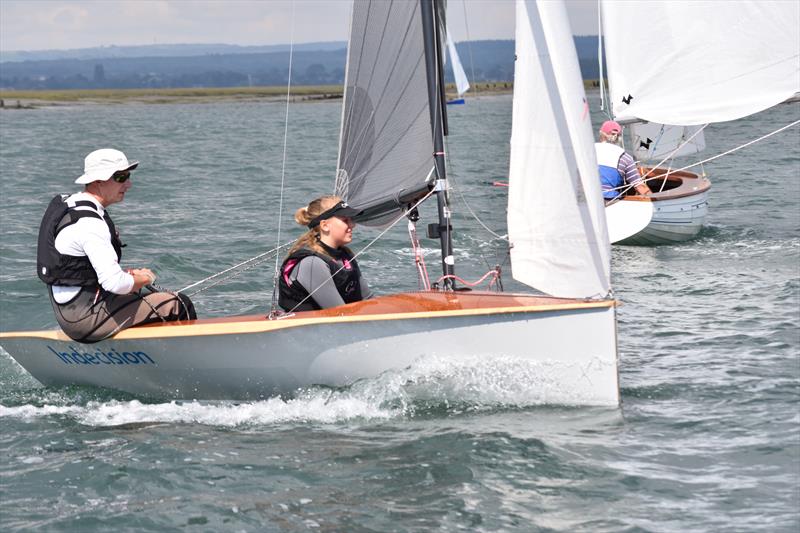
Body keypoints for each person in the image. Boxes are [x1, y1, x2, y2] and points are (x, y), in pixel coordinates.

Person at [37, 148, 196, 343]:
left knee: (139, 293)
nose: (128, 184)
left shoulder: (73, 204)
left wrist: (131, 278)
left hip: (70, 313)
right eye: (120, 177)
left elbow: (83, 270)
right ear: (98, 181)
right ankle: (187, 365)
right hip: (85, 319)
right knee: (176, 303)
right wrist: (145, 278)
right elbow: (114, 283)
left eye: (127, 176)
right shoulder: (90, 224)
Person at [278, 195, 373, 312]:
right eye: (345, 220)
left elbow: (368, 300)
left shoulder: (345, 255)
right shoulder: (312, 264)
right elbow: (340, 313)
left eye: (351, 220)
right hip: (308, 328)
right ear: (325, 226)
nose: (352, 225)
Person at [595, 120, 652, 200]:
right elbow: (639, 186)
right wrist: (654, 199)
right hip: (608, 200)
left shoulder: (588, 151)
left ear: (601, 135)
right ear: (619, 138)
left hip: (586, 197)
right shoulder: (625, 158)